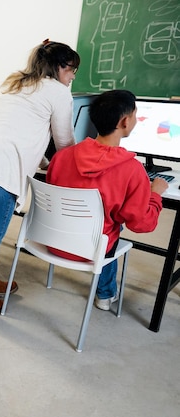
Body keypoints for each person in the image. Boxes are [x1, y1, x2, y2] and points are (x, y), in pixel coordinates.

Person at [0, 39, 79, 314]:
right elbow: (65, 143)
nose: (72, 77)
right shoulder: (58, 92)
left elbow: (15, 132)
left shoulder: (14, 83)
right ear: (60, 68)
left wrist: (41, 161)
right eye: (72, 70)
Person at [46, 90, 168, 310]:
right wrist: (155, 194)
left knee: (107, 219)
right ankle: (105, 294)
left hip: (53, 242)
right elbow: (141, 224)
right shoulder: (132, 170)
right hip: (91, 250)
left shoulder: (62, 156)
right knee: (114, 225)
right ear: (125, 121)